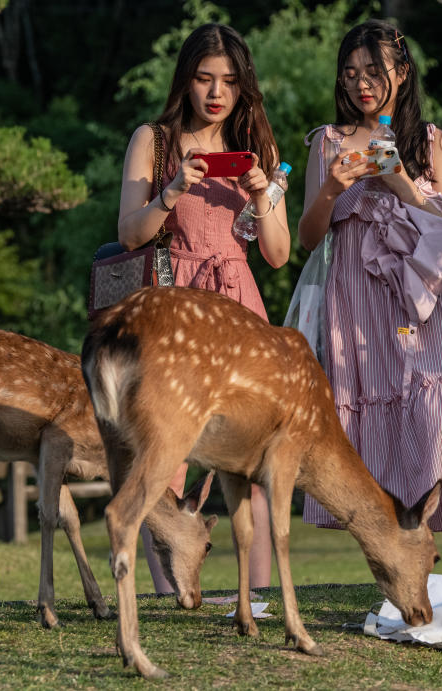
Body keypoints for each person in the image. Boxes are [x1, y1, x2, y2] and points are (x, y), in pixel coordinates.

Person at [297, 20, 442, 559]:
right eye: (350, 74)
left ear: (403, 72)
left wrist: (401, 183)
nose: (361, 84)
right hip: (356, 309)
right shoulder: (328, 141)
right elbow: (307, 237)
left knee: (439, 412)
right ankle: (409, 562)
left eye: (374, 71)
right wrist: (331, 188)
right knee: (376, 431)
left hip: (423, 307)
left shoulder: (431, 142)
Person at [118, 23, 290, 592]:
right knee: (165, 458)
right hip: (177, 312)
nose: (216, 93)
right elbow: (128, 234)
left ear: (244, 88)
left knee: (252, 459)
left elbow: (277, 253)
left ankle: (256, 592)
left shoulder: (259, 149)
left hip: (241, 308)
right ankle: (168, 593)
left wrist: (264, 193)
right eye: (204, 79)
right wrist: (170, 191)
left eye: (230, 82)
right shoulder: (154, 139)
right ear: (185, 80)